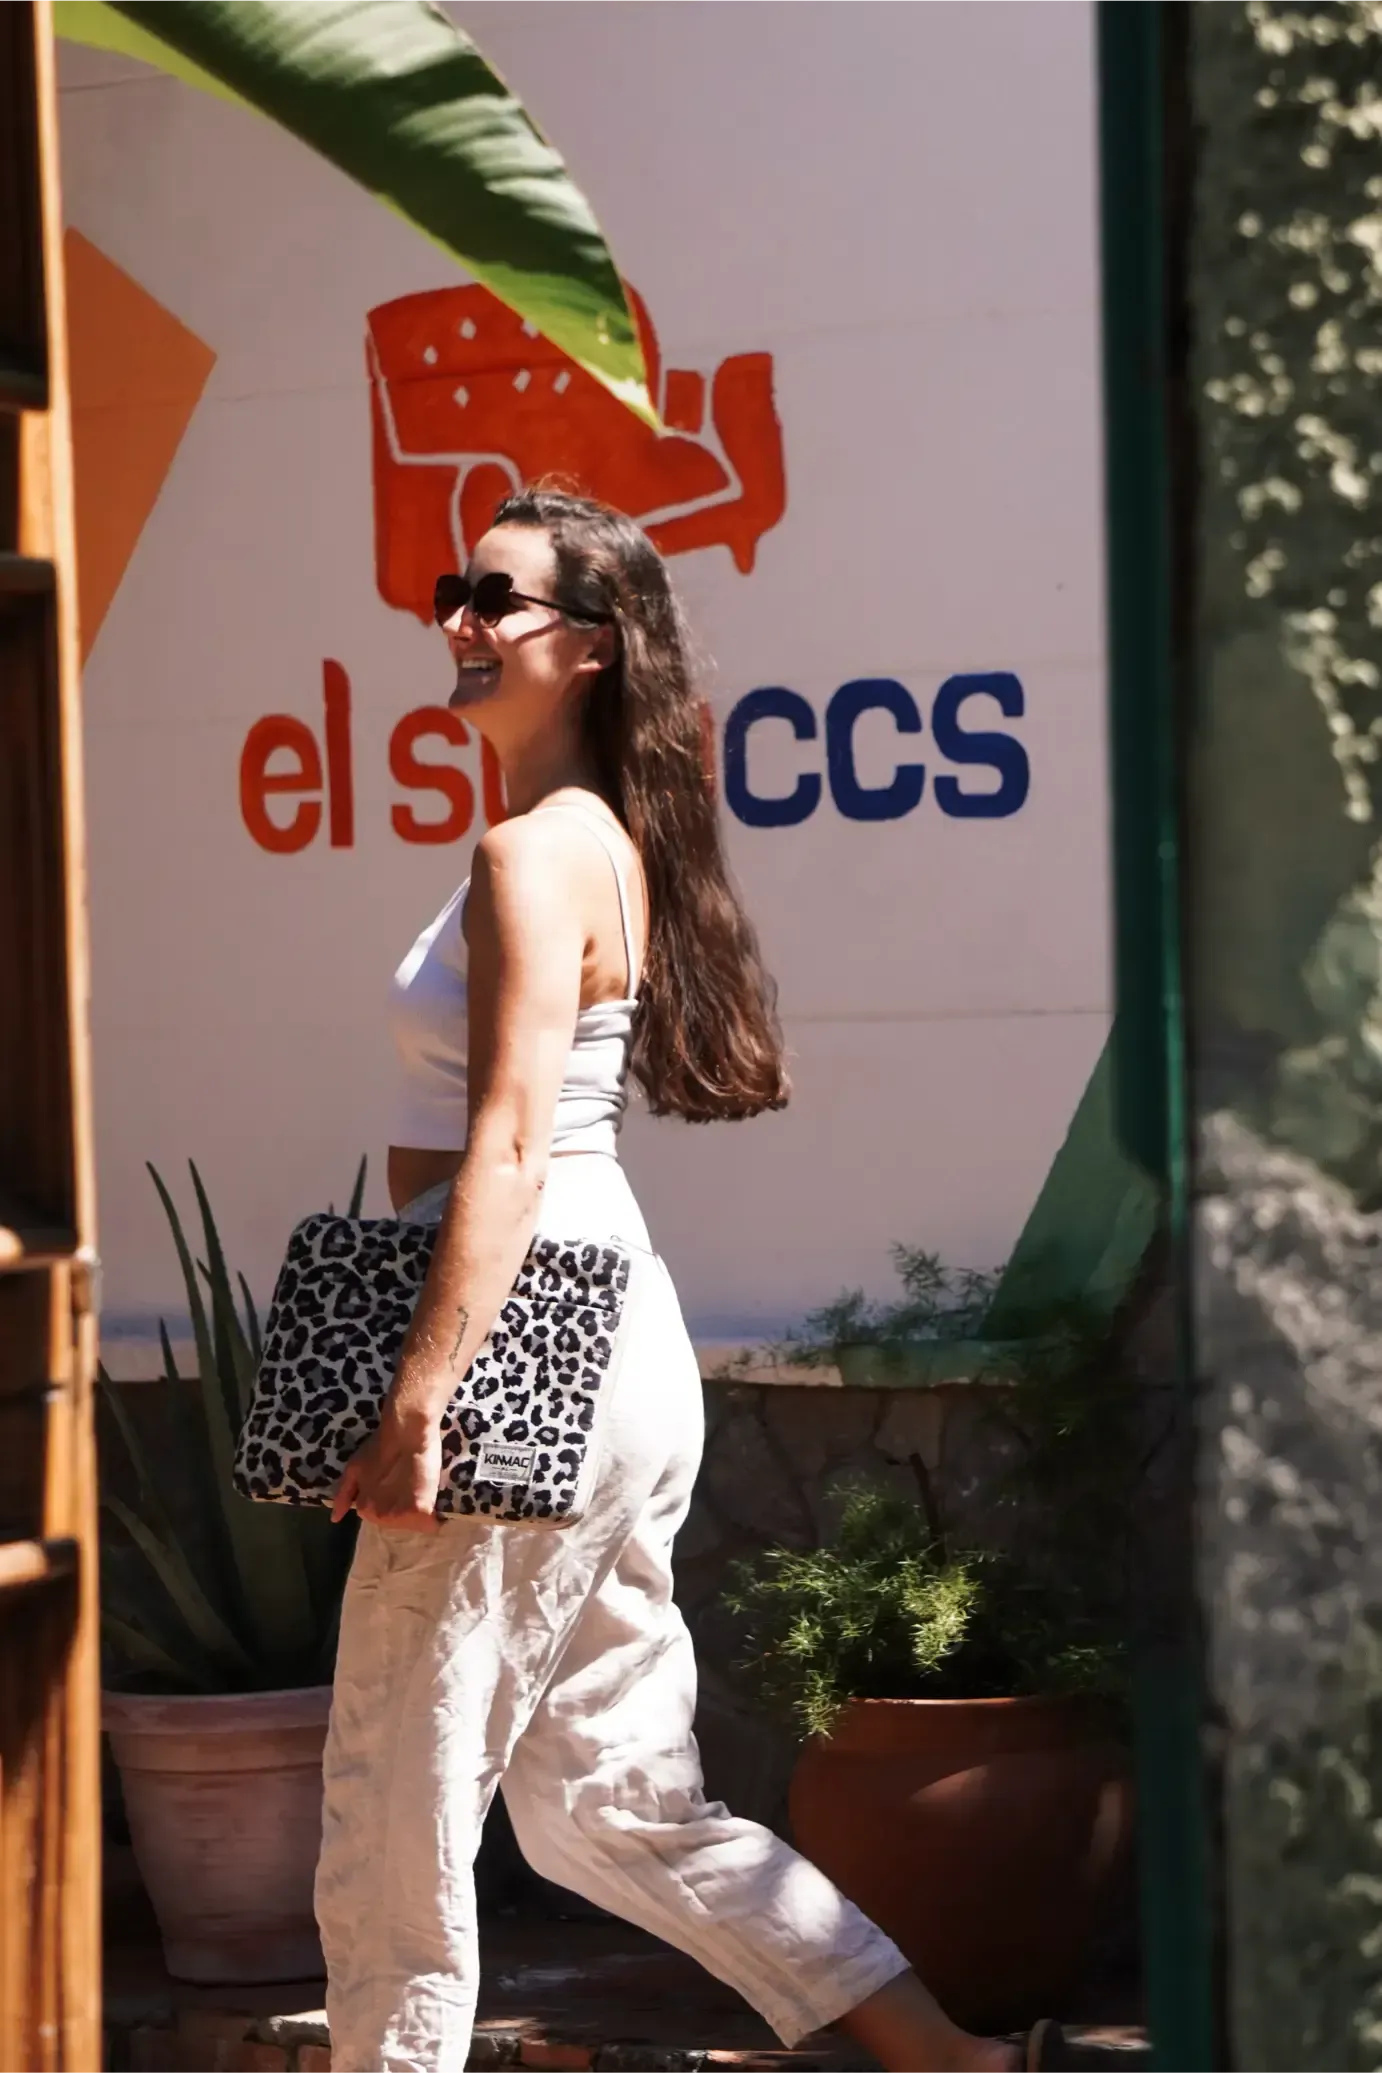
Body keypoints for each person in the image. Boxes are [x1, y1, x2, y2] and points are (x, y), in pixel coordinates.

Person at [317, 487, 1068, 2073]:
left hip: (527, 1334)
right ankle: (946, 2058)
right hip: (608, 1331)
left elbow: (507, 1142)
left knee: (398, 1796)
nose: (455, 618)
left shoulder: (537, 850)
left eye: (493, 599)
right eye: (453, 591)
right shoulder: (599, 840)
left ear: (585, 649)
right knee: (609, 1803)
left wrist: (419, 1391)